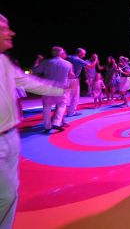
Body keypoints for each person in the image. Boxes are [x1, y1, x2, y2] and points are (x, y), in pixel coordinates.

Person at [0, 13, 64, 229]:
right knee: (6, 195)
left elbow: (27, 80)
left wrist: (60, 88)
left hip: (11, 136)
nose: (11, 32)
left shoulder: (4, 61)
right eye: (3, 28)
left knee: (12, 191)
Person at [32, 46, 73, 132]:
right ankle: (56, 123)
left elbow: (35, 70)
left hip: (48, 87)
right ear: (61, 53)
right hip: (61, 87)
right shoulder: (68, 64)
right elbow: (71, 75)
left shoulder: (46, 62)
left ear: (52, 53)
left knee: (47, 107)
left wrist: (38, 60)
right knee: (62, 105)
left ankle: (47, 126)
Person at [65, 48, 98, 116]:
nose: (84, 55)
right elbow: (91, 66)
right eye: (83, 54)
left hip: (65, 78)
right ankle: (71, 112)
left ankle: (61, 112)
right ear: (79, 53)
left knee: (65, 96)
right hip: (73, 79)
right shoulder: (78, 60)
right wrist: (96, 59)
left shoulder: (69, 57)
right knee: (75, 97)